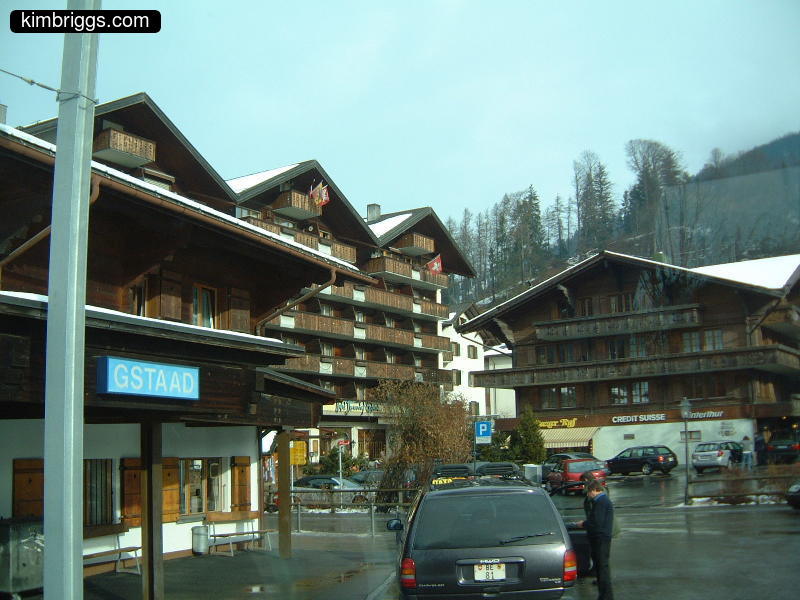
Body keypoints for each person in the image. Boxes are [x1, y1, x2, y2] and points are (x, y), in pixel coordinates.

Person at [579, 479, 614, 600]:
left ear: (594, 490)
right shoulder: (602, 501)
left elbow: (597, 522)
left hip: (601, 539)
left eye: (589, 492)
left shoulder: (601, 502)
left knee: (602, 568)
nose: (588, 495)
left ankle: (606, 596)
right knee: (601, 567)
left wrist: (584, 524)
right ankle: (604, 594)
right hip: (602, 538)